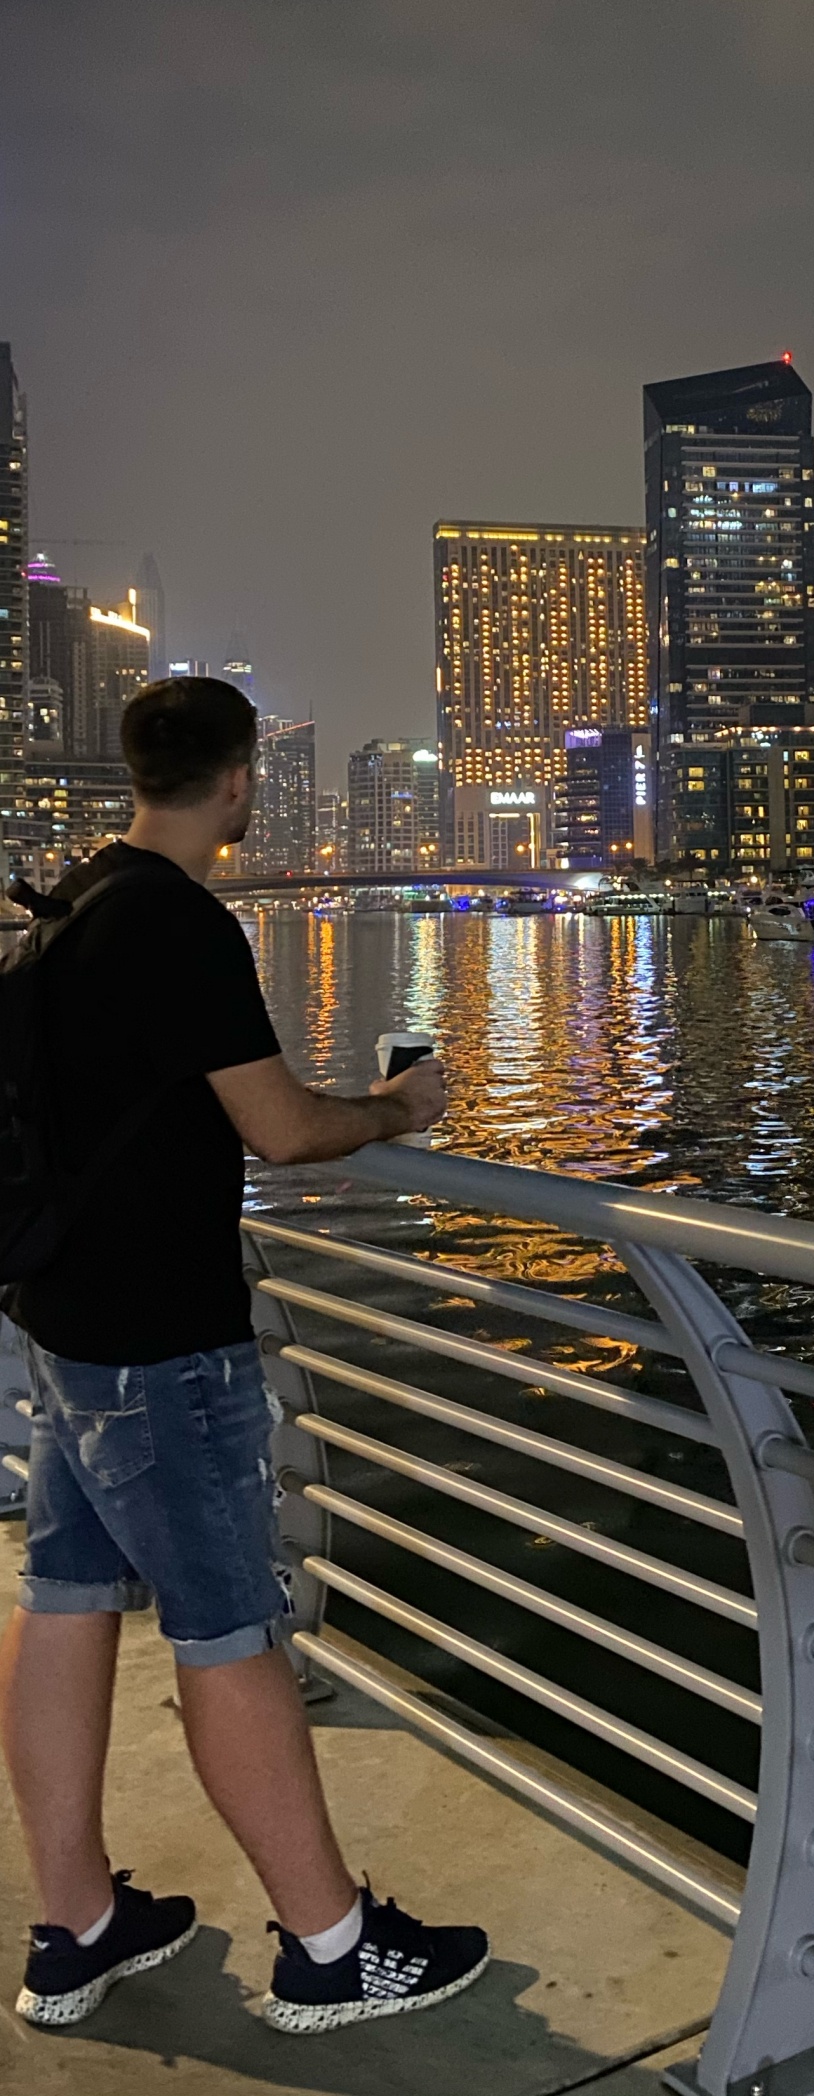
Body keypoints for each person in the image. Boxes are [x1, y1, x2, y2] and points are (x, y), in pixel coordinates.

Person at [0, 677, 490, 2034]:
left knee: (63, 1600)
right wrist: (394, 1106)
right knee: (228, 1635)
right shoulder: (182, 926)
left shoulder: (78, 902)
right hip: (161, 1344)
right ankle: (333, 1947)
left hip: (63, 1326)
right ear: (239, 784)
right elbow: (280, 1128)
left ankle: (76, 1922)